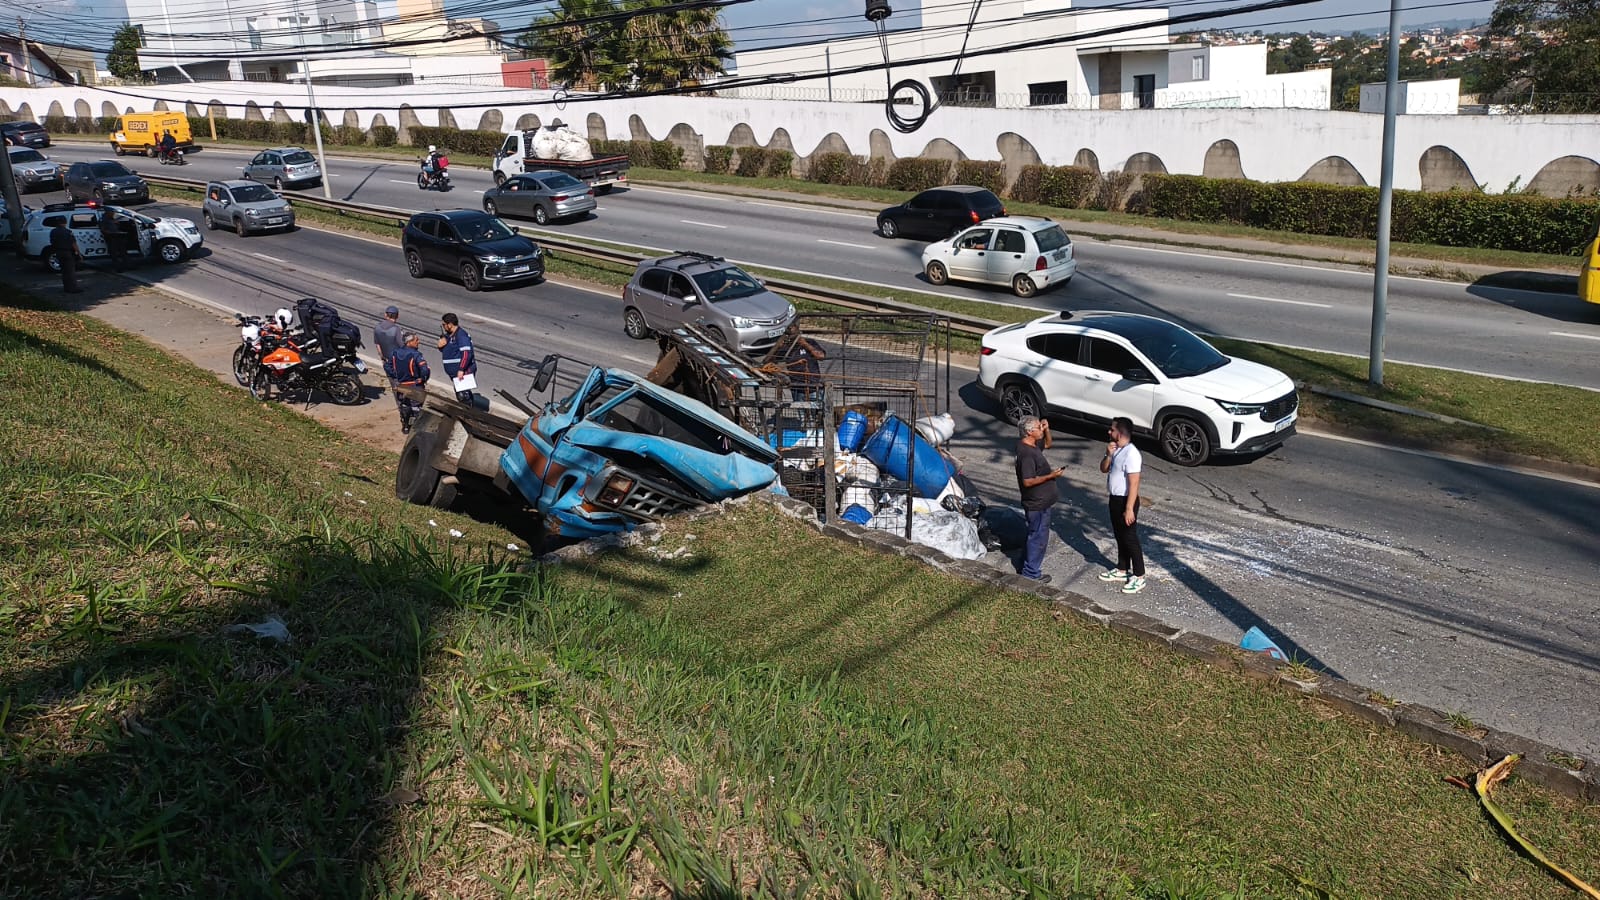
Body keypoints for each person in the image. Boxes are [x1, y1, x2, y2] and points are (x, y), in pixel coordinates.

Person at [1097, 416, 1147, 594]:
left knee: (1130, 538)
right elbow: (1103, 469)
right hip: (1115, 499)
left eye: (1112, 429)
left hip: (1127, 501)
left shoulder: (1132, 454)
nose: (1109, 432)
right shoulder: (1116, 449)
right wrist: (1108, 455)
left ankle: (1139, 576)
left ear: (1120, 432)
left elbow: (1134, 483)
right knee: (1119, 536)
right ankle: (1122, 569)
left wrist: (1129, 509)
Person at [1014, 415, 1065, 583]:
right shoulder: (1027, 454)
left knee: (1034, 535)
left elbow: (1048, 444)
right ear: (1029, 432)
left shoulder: (1032, 445)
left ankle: (1025, 565)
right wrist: (1051, 476)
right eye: (1039, 427)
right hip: (1037, 503)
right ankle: (1031, 573)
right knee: (1038, 538)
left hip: (1042, 501)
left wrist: (1047, 429)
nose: (1041, 429)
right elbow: (1028, 481)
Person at [385, 331, 430, 434]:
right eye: (416, 340)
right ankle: (417, 429)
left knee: (404, 405)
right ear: (409, 342)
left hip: (401, 385)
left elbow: (387, 366)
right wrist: (423, 379)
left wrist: (395, 376)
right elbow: (424, 370)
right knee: (416, 407)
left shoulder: (394, 353)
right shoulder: (416, 355)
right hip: (415, 385)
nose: (418, 342)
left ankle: (405, 427)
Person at [436, 312, 478, 404]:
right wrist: (440, 346)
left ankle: (469, 413)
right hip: (454, 373)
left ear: (450, 325)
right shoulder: (449, 336)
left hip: (463, 371)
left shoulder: (461, 336)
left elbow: (466, 354)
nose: (443, 327)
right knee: (460, 394)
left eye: (444, 324)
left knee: (463, 396)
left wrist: (461, 369)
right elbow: (449, 351)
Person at [373, 306, 405, 413]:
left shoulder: (377, 327)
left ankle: (400, 406)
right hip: (398, 362)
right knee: (402, 384)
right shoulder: (396, 330)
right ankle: (405, 406)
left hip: (386, 361)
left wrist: (382, 358)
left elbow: (378, 345)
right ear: (398, 316)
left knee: (393, 385)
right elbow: (402, 346)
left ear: (385, 315)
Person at [785, 334, 826, 403]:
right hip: (797, 387)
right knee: (801, 411)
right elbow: (775, 363)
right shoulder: (786, 347)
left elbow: (821, 356)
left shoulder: (810, 342)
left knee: (817, 410)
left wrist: (805, 344)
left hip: (814, 386)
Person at [49, 222, 82, 293]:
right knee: (70, 271)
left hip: (58, 252)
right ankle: (73, 288)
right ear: (65, 223)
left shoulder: (53, 232)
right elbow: (73, 243)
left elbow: (52, 242)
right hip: (67, 252)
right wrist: (79, 253)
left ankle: (66, 287)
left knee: (64, 271)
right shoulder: (68, 232)